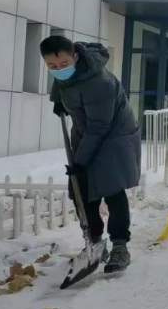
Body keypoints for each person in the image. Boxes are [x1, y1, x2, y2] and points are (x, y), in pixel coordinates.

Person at [42, 36, 140, 273]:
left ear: (75, 57)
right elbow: (64, 83)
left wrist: (80, 162)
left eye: (63, 65)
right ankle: (95, 242)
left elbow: (100, 126)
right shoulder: (68, 73)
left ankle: (120, 246)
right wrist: (58, 99)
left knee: (111, 188)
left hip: (113, 135)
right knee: (81, 190)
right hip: (87, 133)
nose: (58, 70)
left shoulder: (100, 83)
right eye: (52, 67)